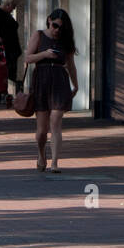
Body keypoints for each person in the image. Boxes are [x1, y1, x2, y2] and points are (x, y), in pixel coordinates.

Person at [24, 9, 78, 173]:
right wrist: (45, 54)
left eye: (61, 28)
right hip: (42, 80)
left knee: (55, 120)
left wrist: (75, 85)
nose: (57, 30)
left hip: (60, 81)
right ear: (49, 20)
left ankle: (55, 162)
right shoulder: (39, 36)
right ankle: (41, 155)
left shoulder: (65, 40)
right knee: (41, 131)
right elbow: (28, 58)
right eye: (55, 25)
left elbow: (71, 64)